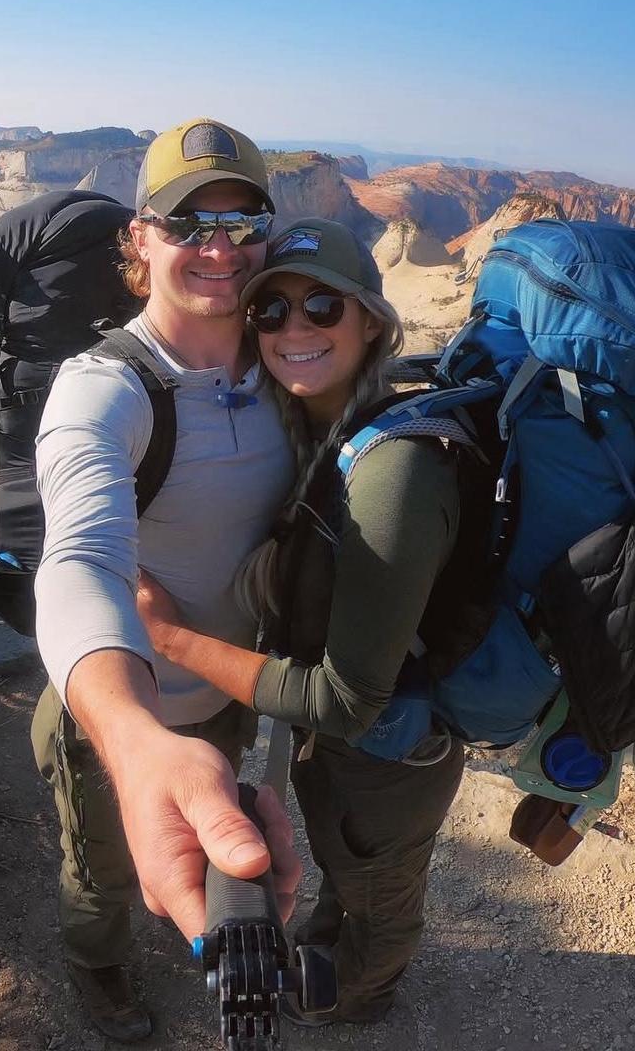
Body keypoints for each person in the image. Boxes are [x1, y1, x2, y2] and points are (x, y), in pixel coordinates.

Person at [138, 216, 479, 1026]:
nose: (294, 329)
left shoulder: (393, 472)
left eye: (323, 306)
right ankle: (333, 944)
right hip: (340, 749)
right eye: (271, 310)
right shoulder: (319, 433)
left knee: (380, 890)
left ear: (372, 323)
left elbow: (345, 700)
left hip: (392, 753)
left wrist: (169, 636)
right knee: (344, 861)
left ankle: (362, 997)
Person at [31, 118, 302, 1042]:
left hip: (226, 696)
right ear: (140, 239)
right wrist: (137, 740)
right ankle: (97, 967)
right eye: (188, 223)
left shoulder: (290, 365)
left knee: (192, 839)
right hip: (115, 710)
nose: (220, 248)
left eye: (242, 221)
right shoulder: (105, 390)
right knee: (100, 864)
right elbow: (79, 560)